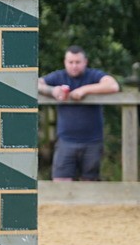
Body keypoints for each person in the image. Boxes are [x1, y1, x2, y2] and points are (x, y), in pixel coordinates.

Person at [38, 45, 120, 181]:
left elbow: (113, 85)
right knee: (60, 182)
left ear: (85, 62)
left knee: (89, 184)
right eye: (70, 62)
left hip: (92, 142)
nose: (74, 66)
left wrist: (85, 90)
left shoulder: (93, 75)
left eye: (78, 62)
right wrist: (51, 91)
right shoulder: (59, 76)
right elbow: (35, 83)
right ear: (65, 62)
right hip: (66, 141)